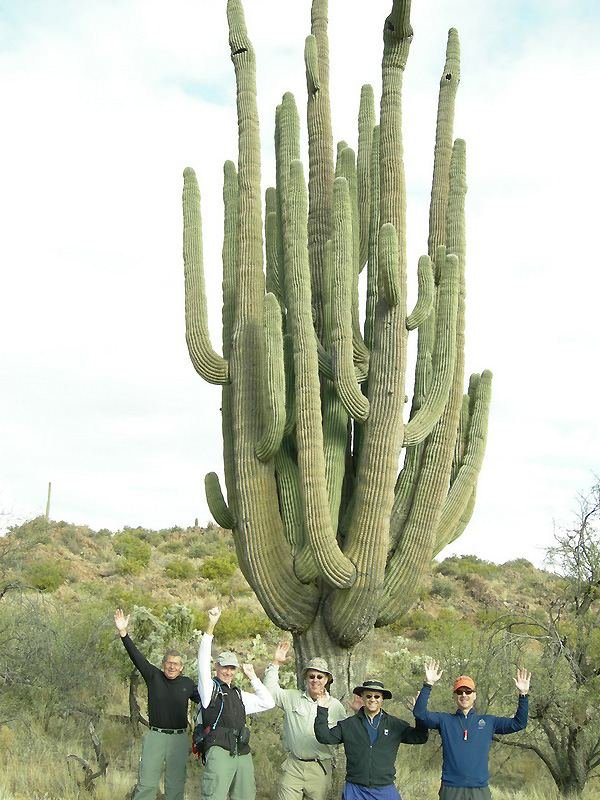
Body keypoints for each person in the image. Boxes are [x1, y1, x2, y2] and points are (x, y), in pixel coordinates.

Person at [413, 659, 532, 800]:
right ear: (454, 696)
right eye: (459, 692)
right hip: (451, 789)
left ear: (474, 695)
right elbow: (420, 714)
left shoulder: (488, 722)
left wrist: (523, 695)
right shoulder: (444, 720)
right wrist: (428, 684)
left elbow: (519, 723)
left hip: (479, 789)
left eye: (468, 691)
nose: (464, 695)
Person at [114, 608, 200, 800]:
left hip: (179, 739)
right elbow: (137, 658)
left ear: (182, 668)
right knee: (146, 784)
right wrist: (123, 633)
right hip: (155, 736)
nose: (172, 666)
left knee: (175, 786)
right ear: (163, 665)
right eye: (169, 663)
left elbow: (206, 700)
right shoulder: (154, 677)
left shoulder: (187, 684)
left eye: (176, 664)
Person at [197, 605, 275, 800]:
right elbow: (202, 661)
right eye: (225, 667)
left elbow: (268, 703)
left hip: (242, 751)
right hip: (219, 750)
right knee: (214, 796)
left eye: (232, 668)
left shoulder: (239, 695)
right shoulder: (209, 690)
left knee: (246, 796)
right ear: (217, 667)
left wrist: (253, 678)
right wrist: (211, 627)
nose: (228, 672)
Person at [314, 677, 428, 800]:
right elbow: (324, 737)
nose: (372, 699)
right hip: (355, 789)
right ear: (362, 697)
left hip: (385, 789)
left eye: (377, 696)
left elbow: (420, 737)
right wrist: (322, 708)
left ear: (382, 699)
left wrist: (420, 714)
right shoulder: (349, 725)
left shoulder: (395, 724)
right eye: (368, 696)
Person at [263, 641, 348, 800]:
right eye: (311, 676)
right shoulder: (292, 698)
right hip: (293, 766)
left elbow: (344, 735)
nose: (315, 680)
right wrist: (275, 663)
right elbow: (269, 692)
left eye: (319, 676)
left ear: (327, 679)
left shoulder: (336, 707)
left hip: (319, 767)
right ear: (306, 679)